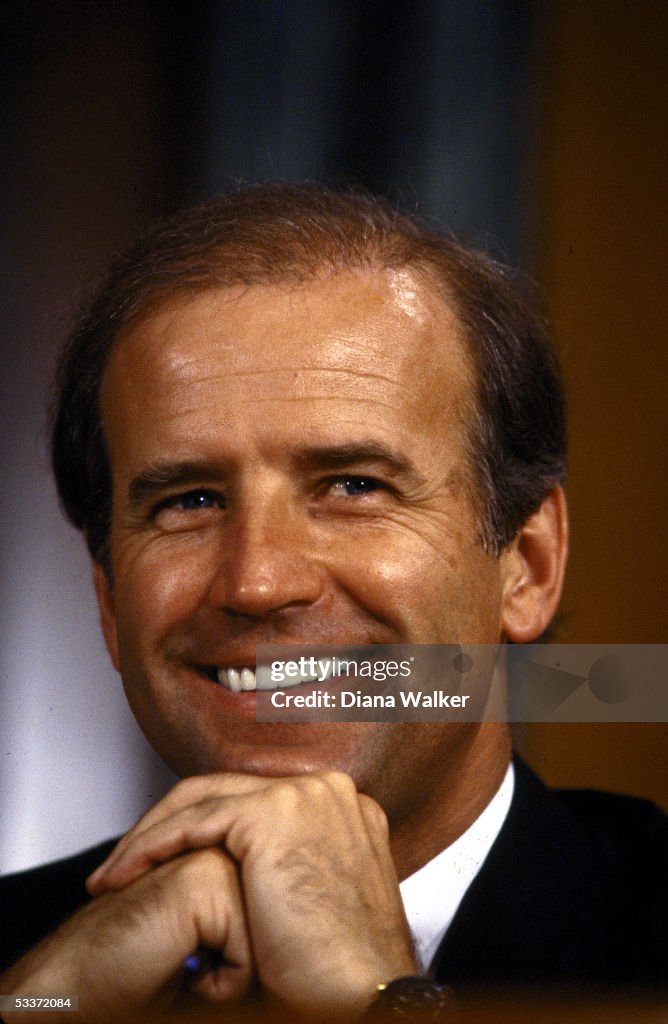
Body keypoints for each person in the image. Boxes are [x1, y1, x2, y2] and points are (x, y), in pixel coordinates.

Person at [0, 184, 665, 1022]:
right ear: (107, 603)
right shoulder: (32, 975)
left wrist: (382, 1004)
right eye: (190, 501)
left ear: (526, 567)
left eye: (354, 486)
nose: (258, 581)